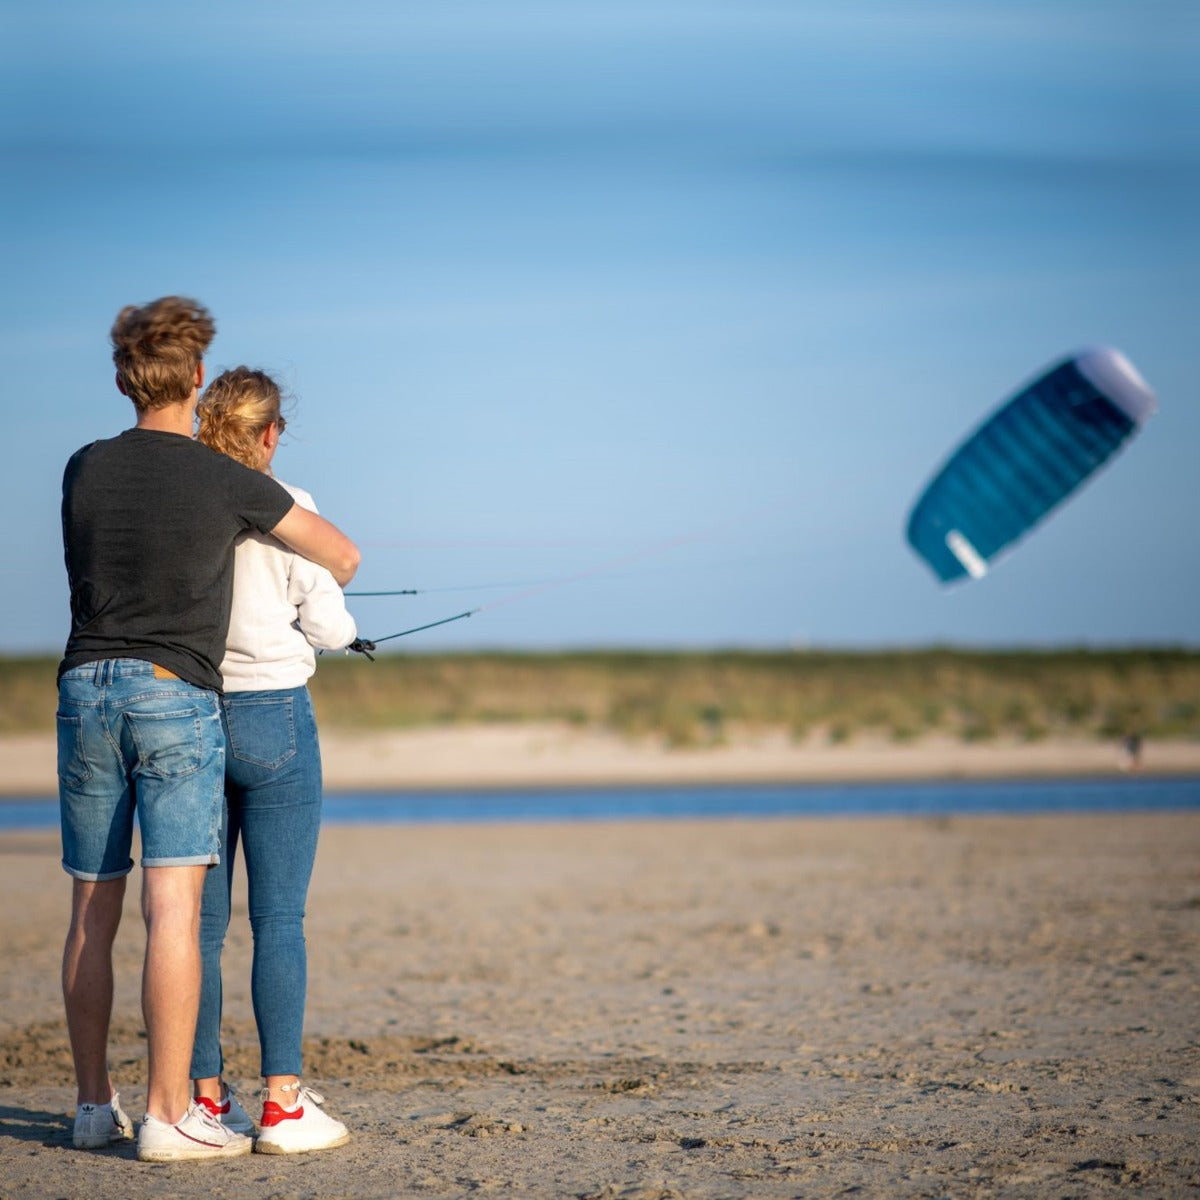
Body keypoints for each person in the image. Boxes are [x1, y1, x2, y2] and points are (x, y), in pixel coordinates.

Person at [57, 297, 360, 1163]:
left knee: (91, 905)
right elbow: (340, 558)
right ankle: (206, 1106)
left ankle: (104, 1104)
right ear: (196, 377)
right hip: (187, 699)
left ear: (121, 378)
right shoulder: (226, 481)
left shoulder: (83, 466)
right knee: (188, 914)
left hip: (84, 687)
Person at [186, 367, 358, 1154]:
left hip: (191, 715)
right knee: (278, 919)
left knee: (202, 925)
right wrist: (343, 628)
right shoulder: (294, 506)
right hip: (277, 714)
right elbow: (326, 626)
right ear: (269, 432)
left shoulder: (184, 500)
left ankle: (205, 1098)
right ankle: (283, 1104)